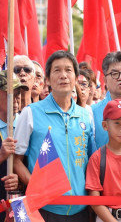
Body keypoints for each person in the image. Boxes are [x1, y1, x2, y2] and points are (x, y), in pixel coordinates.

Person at [13, 50, 96, 222]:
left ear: (75, 78)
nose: (63, 75)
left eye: (68, 70)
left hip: (81, 209)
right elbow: (16, 160)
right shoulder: (30, 113)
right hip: (44, 209)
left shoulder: (85, 116)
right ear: (48, 80)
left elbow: (91, 159)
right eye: (57, 70)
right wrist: (37, 187)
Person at [0, 70, 26, 221]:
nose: (16, 98)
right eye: (10, 93)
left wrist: (21, 182)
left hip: (22, 209)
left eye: (19, 92)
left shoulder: (27, 125)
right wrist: (1, 156)